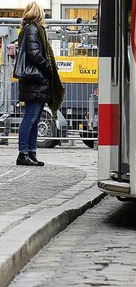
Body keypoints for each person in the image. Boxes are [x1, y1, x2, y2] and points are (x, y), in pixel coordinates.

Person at [15, 2, 64, 166]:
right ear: (39, 14)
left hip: (34, 81)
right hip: (35, 80)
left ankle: (30, 153)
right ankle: (23, 154)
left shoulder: (30, 29)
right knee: (30, 118)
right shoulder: (33, 29)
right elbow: (34, 54)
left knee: (34, 119)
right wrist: (48, 66)